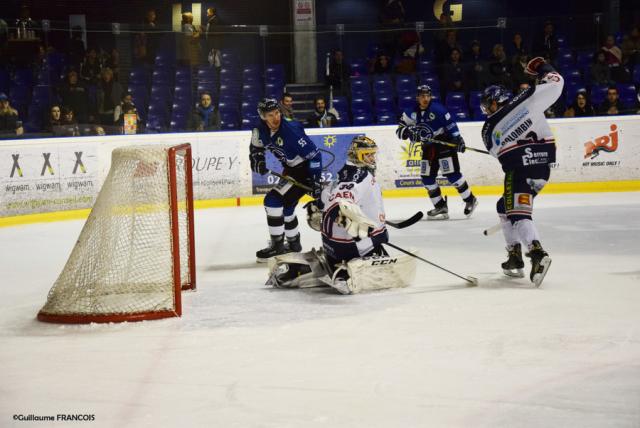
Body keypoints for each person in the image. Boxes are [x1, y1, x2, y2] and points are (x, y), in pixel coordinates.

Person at [266, 136, 416, 294]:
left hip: (331, 246)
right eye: (367, 154)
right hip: (350, 246)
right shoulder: (360, 177)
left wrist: (318, 205)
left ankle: (326, 264)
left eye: (373, 154)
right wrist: (367, 231)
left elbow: (324, 199)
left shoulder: (342, 172)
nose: (372, 159)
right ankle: (346, 272)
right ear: (356, 155)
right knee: (380, 242)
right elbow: (341, 203)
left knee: (370, 234)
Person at [479, 56, 562, 287]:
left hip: (518, 170)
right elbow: (556, 82)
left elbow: (496, 153)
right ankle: (514, 256)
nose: (486, 108)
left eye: (488, 103)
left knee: (518, 213)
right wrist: (542, 67)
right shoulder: (526, 100)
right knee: (504, 206)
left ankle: (537, 254)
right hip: (542, 169)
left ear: (496, 102)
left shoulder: (488, 128)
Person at [250, 98, 323, 261]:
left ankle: (278, 247)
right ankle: (293, 244)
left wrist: (316, 181)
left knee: (272, 201)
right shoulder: (259, 129)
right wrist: (258, 160)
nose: (276, 118)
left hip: (304, 171)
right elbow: (256, 147)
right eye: (270, 115)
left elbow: (315, 156)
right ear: (263, 116)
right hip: (291, 170)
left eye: (277, 113)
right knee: (287, 207)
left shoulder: (291, 131)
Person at [396, 85, 478, 220]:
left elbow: (451, 125)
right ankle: (440, 206)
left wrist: (458, 139)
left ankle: (470, 200)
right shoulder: (410, 112)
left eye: (427, 95)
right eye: (422, 96)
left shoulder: (438, 110)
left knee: (451, 174)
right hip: (428, 147)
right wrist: (408, 132)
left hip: (444, 143)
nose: (425, 98)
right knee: (426, 177)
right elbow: (400, 129)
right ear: (417, 97)